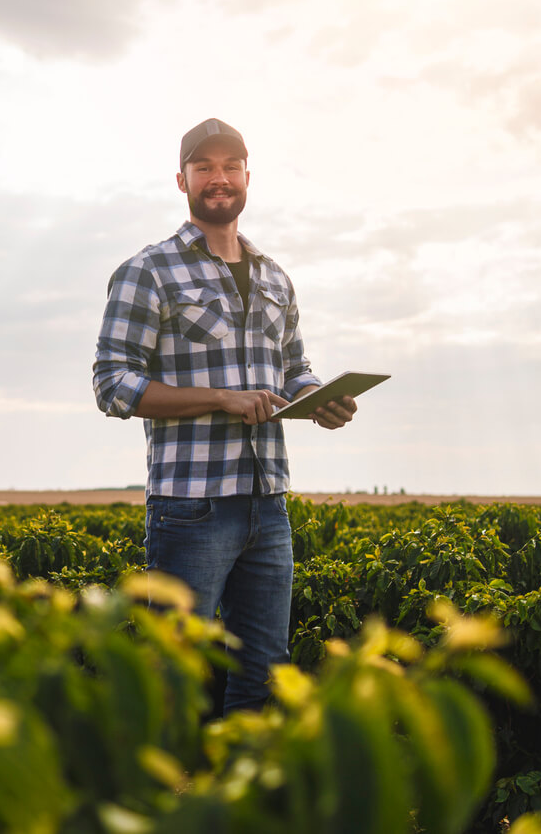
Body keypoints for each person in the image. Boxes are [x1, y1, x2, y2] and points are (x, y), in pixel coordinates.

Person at [92, 117, 358, 714]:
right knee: (172, 676)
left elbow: (292, 367)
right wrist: (220, 397)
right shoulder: (148, 271)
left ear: (247, 178)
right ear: (181, 179)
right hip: (191, 507)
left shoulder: (273, 276)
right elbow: (113, 385)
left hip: (269, 503)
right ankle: (160, 801)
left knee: (264, 676)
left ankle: (241, 801)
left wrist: (321, 399)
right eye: (205, 167)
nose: (219, 178)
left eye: (230, 167)